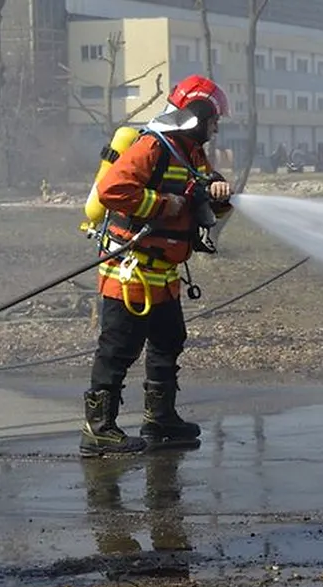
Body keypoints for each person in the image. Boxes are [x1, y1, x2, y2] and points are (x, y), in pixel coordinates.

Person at [80, 74, 234, 458]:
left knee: (169, 340)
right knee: (118, 348)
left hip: (163, 274)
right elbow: (112, 190)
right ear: (196, 115)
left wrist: (218, 194)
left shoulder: (191, 151)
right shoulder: (154, 146)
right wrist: (164, 205)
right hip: (130, 270)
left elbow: (200, 196)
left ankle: (160, 420)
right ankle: (98, 429)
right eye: (213, 119)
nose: (216, 127)